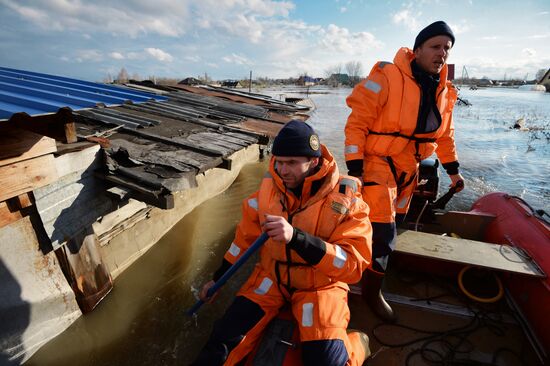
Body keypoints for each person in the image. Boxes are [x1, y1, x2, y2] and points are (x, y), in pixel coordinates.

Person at [191, 120, 372, 366]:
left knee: (327, 362)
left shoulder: (348, 202)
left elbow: (352, 266)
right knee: (219, 344)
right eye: (279, 162)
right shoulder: (267, 192)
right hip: (271, 280)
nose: (283, 171)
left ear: (314, 162)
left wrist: (296, 238)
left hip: (319, 288)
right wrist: (218, 278)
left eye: (292, 163)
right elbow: (243, 240)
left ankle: (358, 344)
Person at [344, 21, 465, 321]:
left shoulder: (445, 92)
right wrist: (355, 167)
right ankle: (371, 293)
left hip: (408, 168)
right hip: (377, 162)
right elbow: (357, 121)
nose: (442, 54)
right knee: (384, 232)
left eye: (447, 49)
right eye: (435, 47)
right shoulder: (386, 75)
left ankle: (373, 267)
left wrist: (454, 172)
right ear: (418, 49)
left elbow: (445, 137)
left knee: (396, 223)